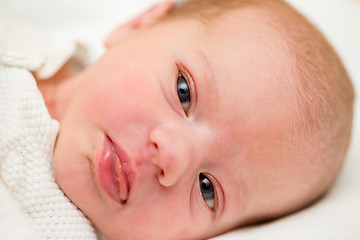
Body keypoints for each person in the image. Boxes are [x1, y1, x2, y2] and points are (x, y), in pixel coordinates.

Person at [0, 0, 354, 239]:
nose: (173, 157)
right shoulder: (21, 39)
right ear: (137, 25)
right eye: (184, 92)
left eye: (208, 190)